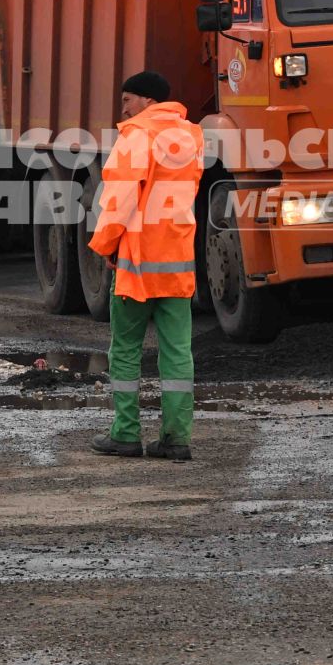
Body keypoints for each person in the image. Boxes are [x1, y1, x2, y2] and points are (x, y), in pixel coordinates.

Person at [87, 71, 205, 462]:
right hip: (176, 263)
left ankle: (125, 434)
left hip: (137, 263)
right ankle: (176, 439)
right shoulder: (191, 136)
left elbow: (120, 198)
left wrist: (105, 244)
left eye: (129, 99)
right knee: (177, 353)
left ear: (149, 102)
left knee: (124, 350)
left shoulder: (137, 135)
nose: (123, 106)